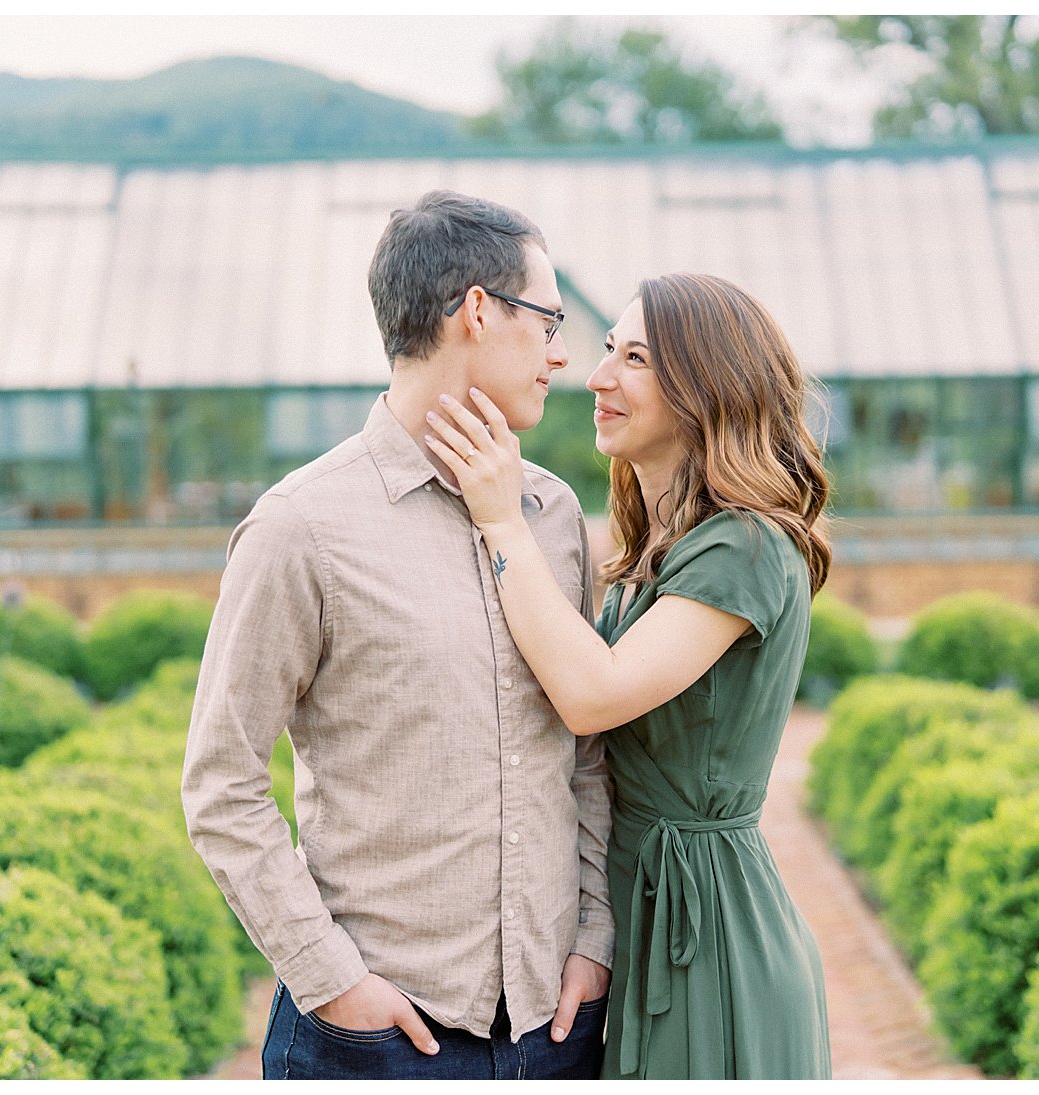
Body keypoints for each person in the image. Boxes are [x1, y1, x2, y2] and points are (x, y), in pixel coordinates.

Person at [181, 190, 613, 1081]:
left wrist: (596, 935)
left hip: (556, 1027)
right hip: (377, 1036)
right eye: (548, 321)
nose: (562, 354)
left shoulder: (557, 515)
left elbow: (588, 755)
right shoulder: (300, 527)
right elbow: (222, 783)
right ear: (479, 312)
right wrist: (331, 980)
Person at [425, 272, 833, 1079]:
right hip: (646, 919)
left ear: (706, 385)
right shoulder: (663, 548)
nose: (598, 376)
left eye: (636, 358)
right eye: (608, 349)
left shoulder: (743, 545)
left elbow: (592, 693)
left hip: (708, 934)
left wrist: (501, 518)